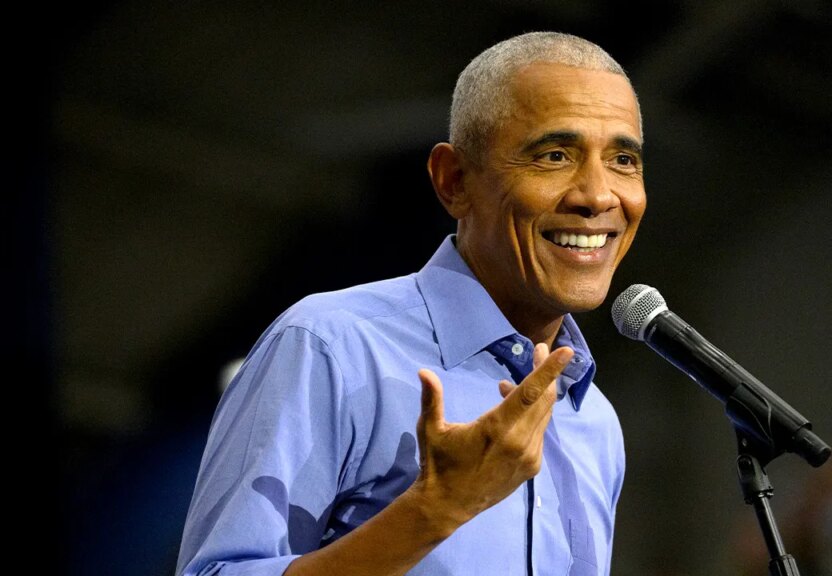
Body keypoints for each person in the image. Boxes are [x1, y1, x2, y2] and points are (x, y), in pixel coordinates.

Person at [176, 30, 646, 576]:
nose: (598, 195)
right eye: (555, 155)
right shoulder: (331, 347)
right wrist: (434, 511)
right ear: (454, 181)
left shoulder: (596, 423)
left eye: (623, 160)